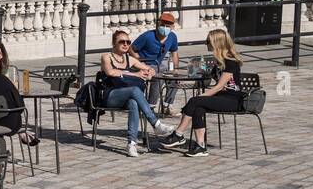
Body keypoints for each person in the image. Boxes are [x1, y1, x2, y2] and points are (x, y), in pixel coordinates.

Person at [159, 29, 246, 158]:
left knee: (195, 101)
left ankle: (178, 134)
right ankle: (200, 146)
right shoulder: (219, 62)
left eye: (208, 41)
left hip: (233, 100)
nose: (206, 44)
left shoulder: (231, 62)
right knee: (198, 107)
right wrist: (195, 72)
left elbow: (218, 87)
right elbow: (208, 80)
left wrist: (200, 96)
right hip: (222, 97)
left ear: (217, 43)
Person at [100, 30, 177, 158]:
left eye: (128, 42)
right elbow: (111, 72)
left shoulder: (129, 59)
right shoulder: (106, 57)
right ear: (114, 43)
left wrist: (150, 71)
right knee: (135, 90)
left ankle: (132, 143)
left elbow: (147, 67)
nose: (125, 44)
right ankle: (156, 124)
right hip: (110, 95)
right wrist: (135, 74)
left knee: (133, 102)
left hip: (126, 96)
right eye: (122, 42)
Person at [133, 11, 181, 108]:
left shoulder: (172, 37)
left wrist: (176, 68)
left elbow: (174, 53)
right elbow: (131, 48)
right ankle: (151, 105)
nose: (165, 28)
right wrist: (138, 59)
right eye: (163, 25)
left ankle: (168, 105)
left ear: (172, 27)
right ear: (158, 24)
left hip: (159, 65)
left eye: (168, 26)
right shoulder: (147, 36)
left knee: (175, 79)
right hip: (145, 64)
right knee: (158, 77)